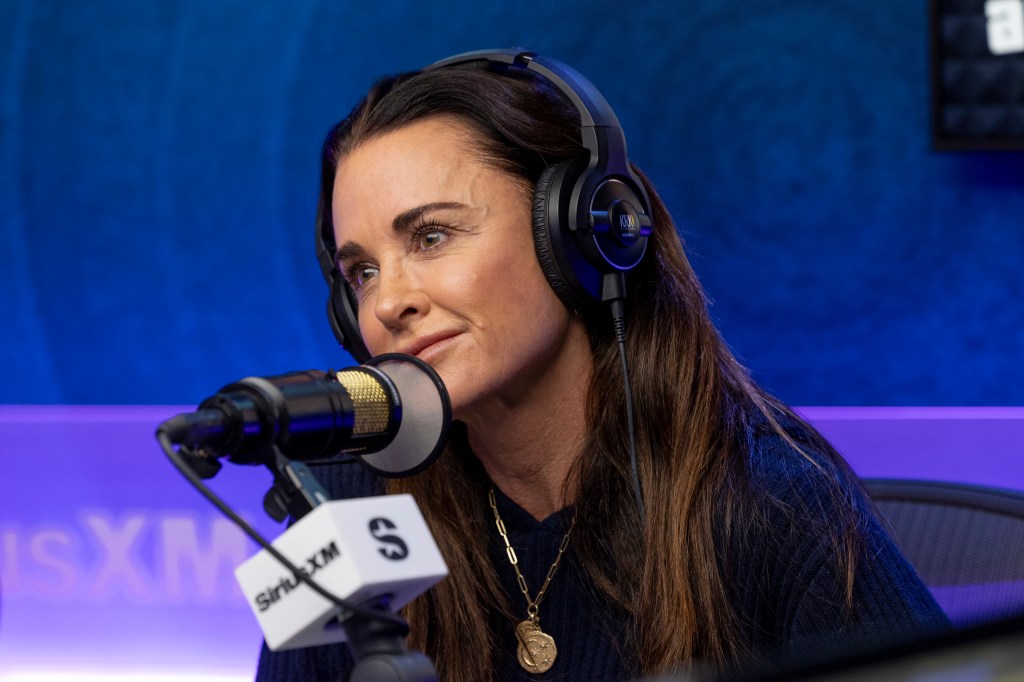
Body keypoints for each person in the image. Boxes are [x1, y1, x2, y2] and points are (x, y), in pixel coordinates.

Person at [256, 50, 949, 682]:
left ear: (580, 233)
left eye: (432, 236)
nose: (388, 303)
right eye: (362, 272)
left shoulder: (772, 505)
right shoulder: (340, 506)